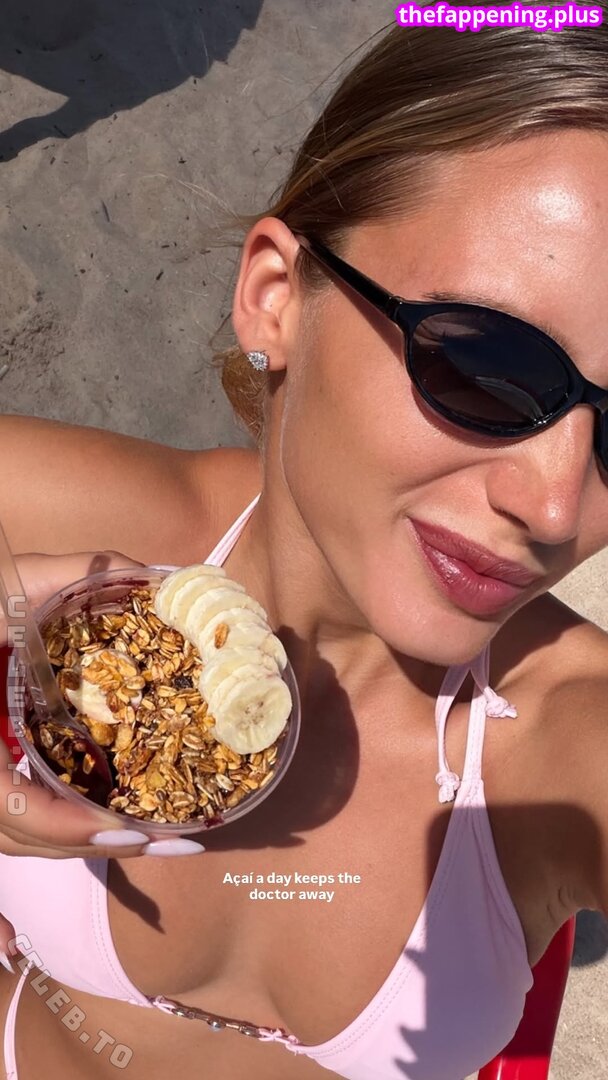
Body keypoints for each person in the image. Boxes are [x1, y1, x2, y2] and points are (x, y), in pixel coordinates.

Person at [1, 11, 608, 1080]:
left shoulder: (562, 747)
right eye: (487, 368)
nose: (557, 508)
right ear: (275, 300)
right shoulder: (65, 533)